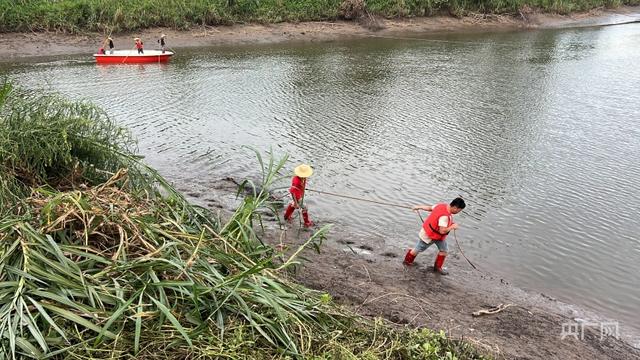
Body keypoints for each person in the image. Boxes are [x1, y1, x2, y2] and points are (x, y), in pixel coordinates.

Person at [403, 197, 466, 275]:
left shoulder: (441, 205)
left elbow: (430, 208)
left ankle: (437, 268)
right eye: (459, 210)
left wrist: (418, 206)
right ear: (455, 208)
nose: (458, 212)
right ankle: (407, 262)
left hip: (438, 237)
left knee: (444, 250)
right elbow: (442, 231)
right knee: (418, 249)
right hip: (429, 235)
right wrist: (452, 227)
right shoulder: (444, 217)